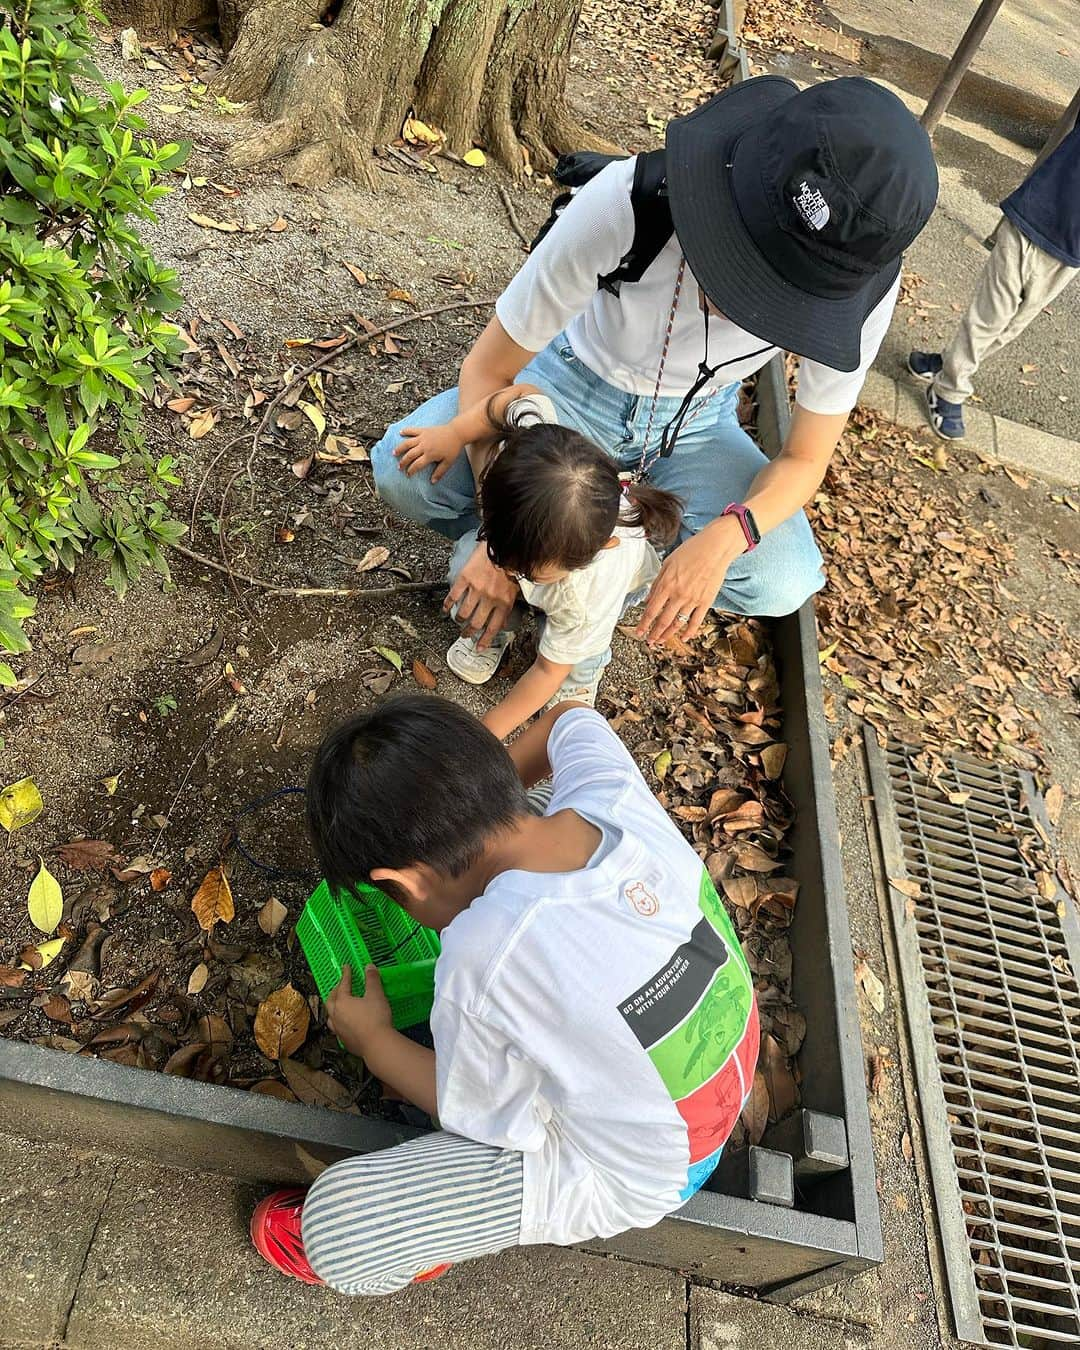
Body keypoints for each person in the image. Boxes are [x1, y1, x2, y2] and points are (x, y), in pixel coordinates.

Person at [370, 76, 937, 650]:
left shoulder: (859, 291)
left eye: (782, 297)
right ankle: (542, 556)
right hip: (569, 385)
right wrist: (498, 541)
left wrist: (724, 539)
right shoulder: (630, 199)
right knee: (405, 474)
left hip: (695, 427)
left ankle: (593, 571)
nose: (744, 304)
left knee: (779, 577)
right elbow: (489, 373)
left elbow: (805, 456)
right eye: (737, 260)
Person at [250, 696, 758, 1294]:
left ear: (402, 882)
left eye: (394, 900)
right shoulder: (611, 791)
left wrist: (375, 1041)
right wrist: (463, 816)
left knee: (338, 1226)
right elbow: (570, 715)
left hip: (637, 1169)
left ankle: (414, 1242)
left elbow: (479, 1111)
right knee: (541, 805)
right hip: (728, 1060)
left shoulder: (480, 959)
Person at [401, 381, 682, 735]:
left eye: (528, 573)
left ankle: (586, 667)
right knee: (469, 579)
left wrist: (485, 737)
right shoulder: (529, 447)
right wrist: (455, 432)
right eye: (500, 557)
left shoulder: (589, 589)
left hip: (597, 598)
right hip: (556, 567)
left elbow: (548, 671)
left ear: (602, 547)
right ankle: (501, 626)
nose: (506, 572)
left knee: (576, 651)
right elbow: (521, 396)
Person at [909, 122, 1080, 440]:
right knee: (991, 318)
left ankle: (947, 362)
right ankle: (949, 392)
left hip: (1069, 254)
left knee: (1011, 327)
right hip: (1030, 222)